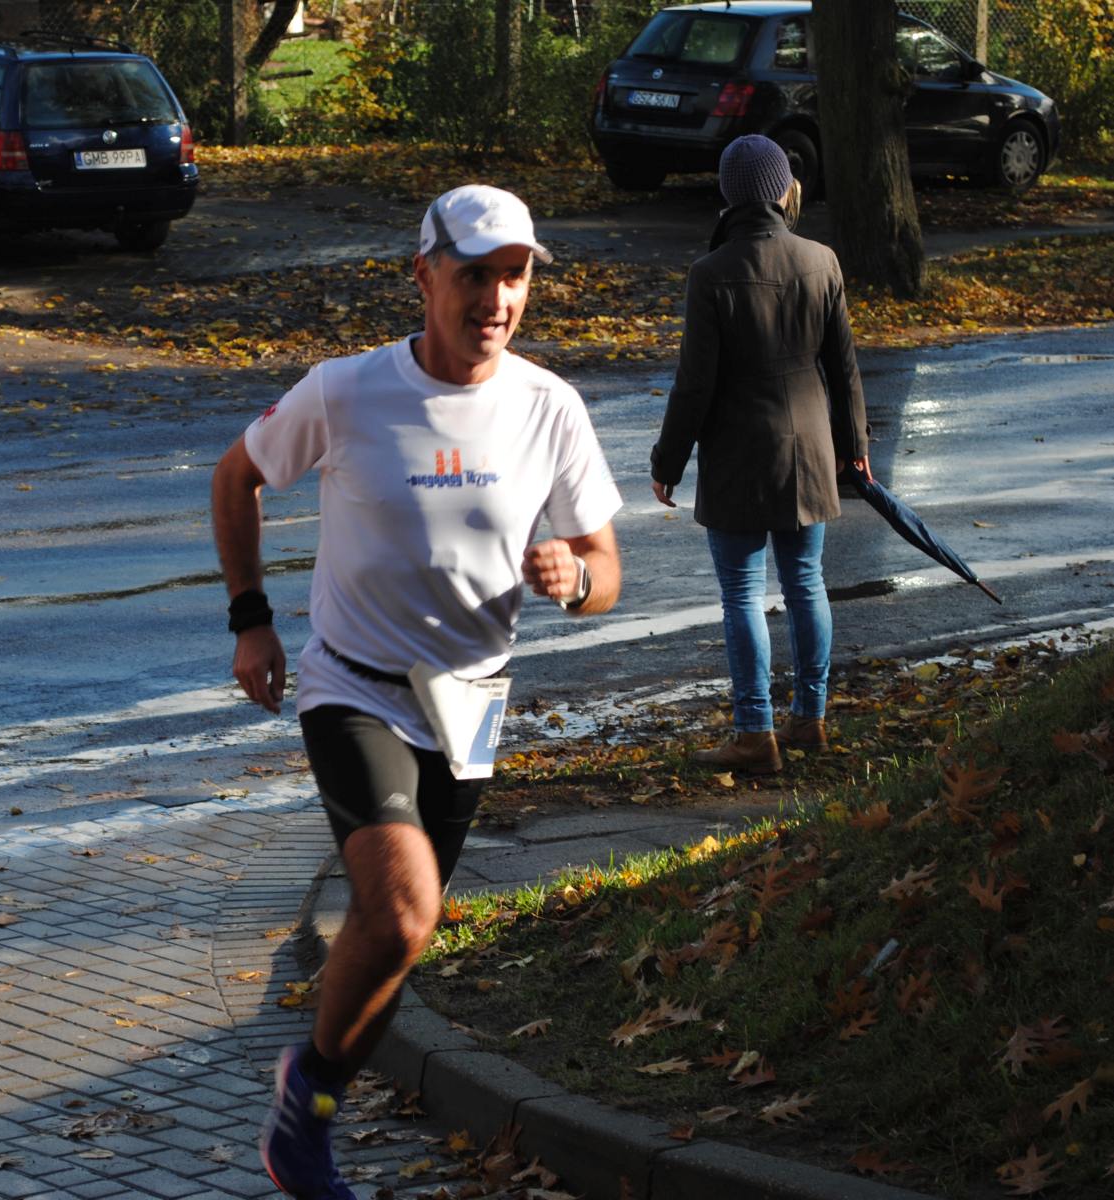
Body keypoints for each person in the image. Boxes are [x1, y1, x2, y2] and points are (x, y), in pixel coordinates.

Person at [211, 185, 624, 1199]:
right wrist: (250, 617)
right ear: (423, 275)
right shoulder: (345, 391)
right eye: (475, 274)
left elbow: (606, 568)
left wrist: (575, 579)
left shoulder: (548, 406)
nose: (496, 298)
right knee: (399, 912)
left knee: (406, 932)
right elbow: (235, 477)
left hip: (471, 699)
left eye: (514, 276)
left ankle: (306, 1109)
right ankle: (309, 1096)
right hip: (352, 686)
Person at [649, 134, 870, 776]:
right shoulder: (821, 260)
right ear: (781, 189)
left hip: (738, 453)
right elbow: (844, 369)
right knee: (806, 583)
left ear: (729, 194)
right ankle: (811, 717)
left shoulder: (712, 273)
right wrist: (855, 447)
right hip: (810, 449)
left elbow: (695, 385)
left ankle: (754, 733)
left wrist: (668, 463)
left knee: (743, 595)